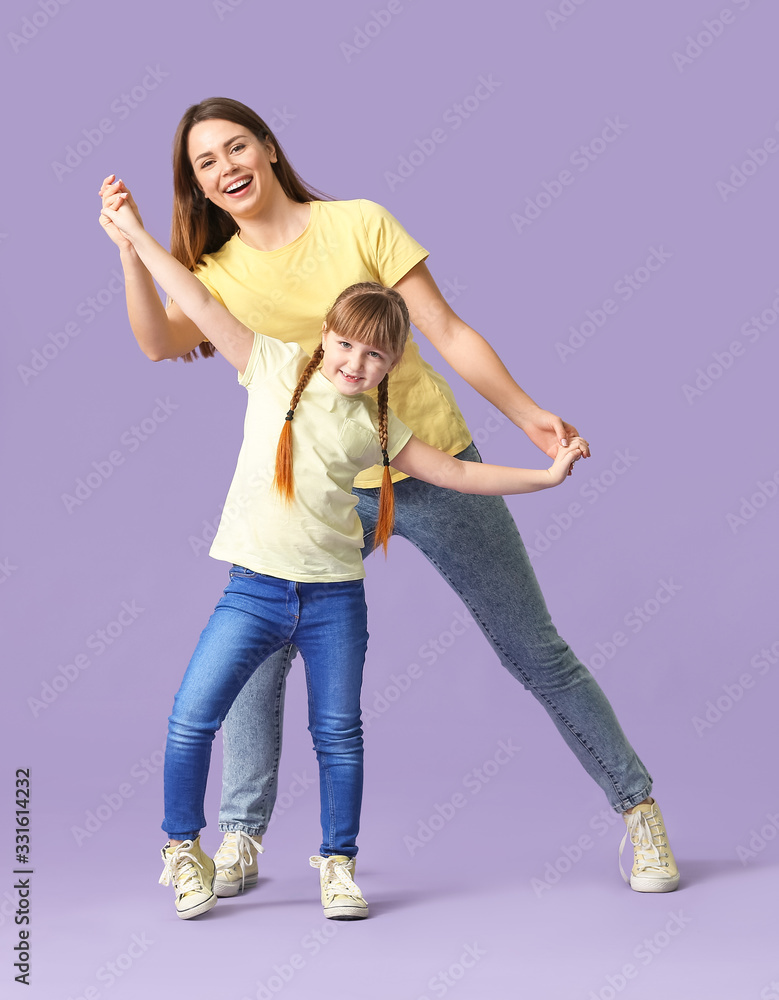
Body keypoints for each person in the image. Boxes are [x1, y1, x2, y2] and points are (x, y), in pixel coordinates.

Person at [98, 96, 679, 897]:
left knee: (532, 648)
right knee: (259, 659)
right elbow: (159, 341)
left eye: (237, 147)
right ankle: (238, 840)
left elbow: (445, 327)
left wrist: (527, 415)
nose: (226, 167)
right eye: (206, 162)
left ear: (268, 148)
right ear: (195, 185)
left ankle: (638, 809)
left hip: (428, 460)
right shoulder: (218, 273)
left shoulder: (358, 223)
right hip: (317, 489)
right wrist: (129, 247)